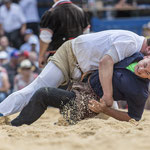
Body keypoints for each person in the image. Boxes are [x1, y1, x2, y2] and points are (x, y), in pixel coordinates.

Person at [0, 29, 150, 117]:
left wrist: (108, 102)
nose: (145, 64)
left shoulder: (134, 46)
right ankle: (1, 112)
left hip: (82, 67)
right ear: (148, 51)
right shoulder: (131, 43)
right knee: (35, 89)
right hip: (70, 56)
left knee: (106, 111)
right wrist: (108, 96)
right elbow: (105, 62)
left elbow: (108, 69)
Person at [10, 52, 149, 126]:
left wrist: (105, 110)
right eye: (145, 64)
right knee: (56, 74)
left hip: (88, 101)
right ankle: (68, 121)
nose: (141, 69)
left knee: (43, 94)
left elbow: (133, 118)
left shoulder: (140, 91)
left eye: (147, 73)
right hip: (80, 82)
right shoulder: (134, 54)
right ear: (147, 57)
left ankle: (16, 125)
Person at [39, 0, 90, 68]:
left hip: (56, 58)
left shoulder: (50, 13)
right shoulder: (81, 11)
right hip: (77, 58)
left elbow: (45, 39)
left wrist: (41, 56)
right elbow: (86, 37)